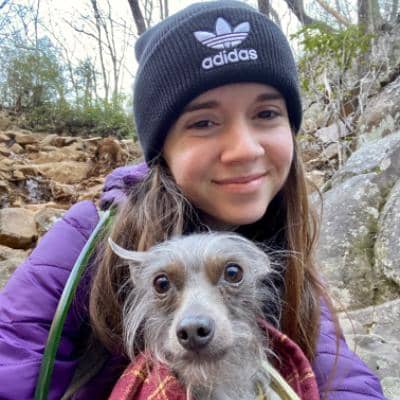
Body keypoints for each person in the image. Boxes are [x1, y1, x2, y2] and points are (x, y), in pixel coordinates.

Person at [0, 1, 386, 399]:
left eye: (266, 113)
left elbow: (342, 378)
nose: (244, 149)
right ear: (161, 148)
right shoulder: (87, 240)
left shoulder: (287, 254)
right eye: (203, 122)